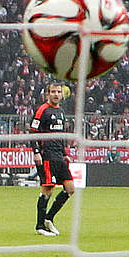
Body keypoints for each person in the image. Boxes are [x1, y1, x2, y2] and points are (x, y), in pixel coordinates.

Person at [30, 83, 74, 236]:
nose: (56, 94)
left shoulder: (61, 112)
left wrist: (64, 153)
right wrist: (36, 152)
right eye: (53, 92)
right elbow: (33, 132)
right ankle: (40, 226)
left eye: (58, 92)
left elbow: (60, 136)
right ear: (47, 94)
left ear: (62, 95)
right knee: (47, 190)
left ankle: (49, 218)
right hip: (46, 155)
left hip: (59, 156)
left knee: (70, 189)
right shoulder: (42, 110)